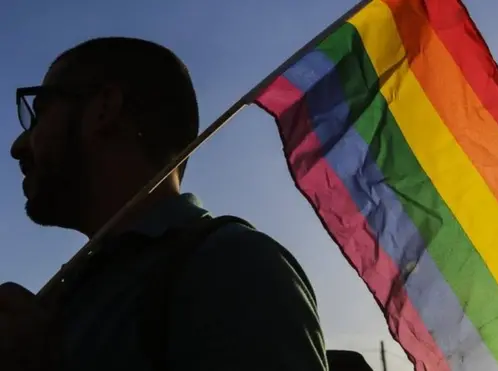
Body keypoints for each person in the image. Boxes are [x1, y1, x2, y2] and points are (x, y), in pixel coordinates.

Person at [6, 37, 328, 371]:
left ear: (104, 108)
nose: (18, 146)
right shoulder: (72, 296)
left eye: (39, 113)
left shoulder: (231, 266)